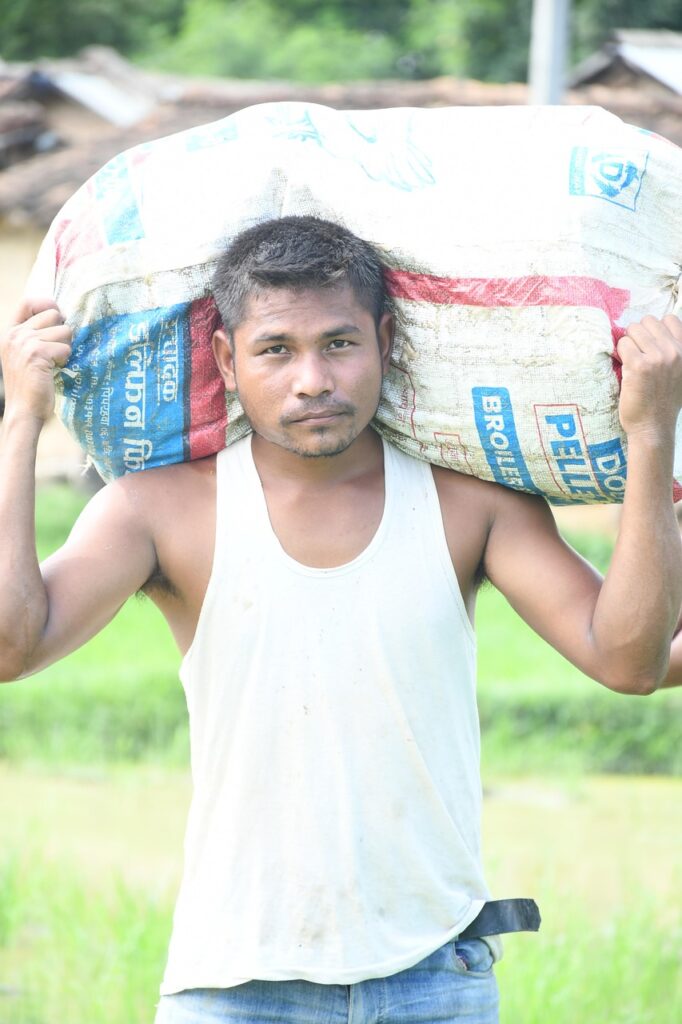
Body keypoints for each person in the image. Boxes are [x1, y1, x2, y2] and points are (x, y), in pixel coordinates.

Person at [1, 216, 681, 1024]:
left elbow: (630, 660)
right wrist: (21, 419)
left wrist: (649, 433)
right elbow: (13, 645)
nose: (312, 379)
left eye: (340, 344)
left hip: (437, 973)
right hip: (236, 980)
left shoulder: (471, 504)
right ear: (226, 360)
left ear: (386, 341)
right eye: (276, 349)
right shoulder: (160, 511)